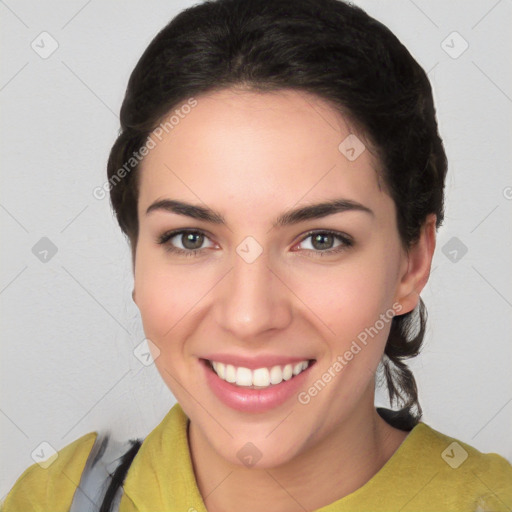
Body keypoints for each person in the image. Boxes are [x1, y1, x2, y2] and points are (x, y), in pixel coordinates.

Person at [2, 0, 511, 510]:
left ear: (411, 264)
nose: (249, 317)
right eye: (191, 239)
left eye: (321, 240)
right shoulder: (52, 499)